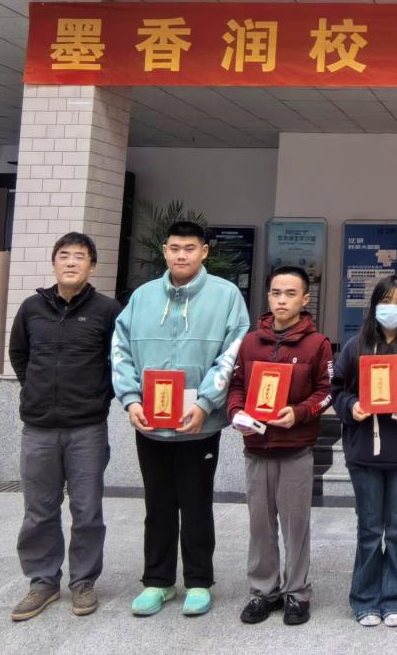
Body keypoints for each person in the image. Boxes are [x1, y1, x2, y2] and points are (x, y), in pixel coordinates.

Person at [111, 220, 250, 618]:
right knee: (156, 504)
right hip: (150, 424)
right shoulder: (142, 297)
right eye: (174, 248)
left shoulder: (226, 296)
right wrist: (130, 400)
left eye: (189, 248)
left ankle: (199, 581)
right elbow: (120, 349)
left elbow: (233, 353)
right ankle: (157, 581)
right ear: (164, 251)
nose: (181, 255)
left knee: (196, 503)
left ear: (204, 251)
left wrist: (206, 402)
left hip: (198, 426)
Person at [7, 232, 121, 622]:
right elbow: (19, 354)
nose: (71, 262)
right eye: (64, 256)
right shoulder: (31, 308)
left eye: (80, 256)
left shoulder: (107, 310)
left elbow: (118, 361)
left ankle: (84, 581)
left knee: (87, 509)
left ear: (92, 265)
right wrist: (35, 391)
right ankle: (43, 580)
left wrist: (98, 397)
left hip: (87, 427)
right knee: (39, 509)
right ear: (54, 262)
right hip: (38, 427)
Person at [227, 266, 333, 627]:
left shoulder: (317, 344)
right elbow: (236, 386)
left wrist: (299, 412)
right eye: (276, 293)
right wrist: (236, 413)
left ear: (305, 299)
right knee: (260, 524)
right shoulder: (250, 342)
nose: (282, 300)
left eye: (290, 294)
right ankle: (263, 591)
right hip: (256, 448)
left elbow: (327, 392)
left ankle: (297, 593)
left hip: (295, 448)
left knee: (295, 525)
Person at [332, 274, 397, 628]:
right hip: (363, 453)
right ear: (374, 304)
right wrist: (352, 407)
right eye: (386, 301)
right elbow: (337, 390)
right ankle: (365, 600)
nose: (392, 308)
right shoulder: (355, 346)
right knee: (369, 529)